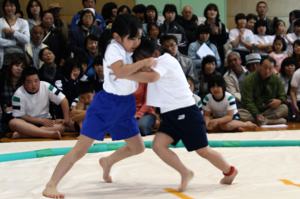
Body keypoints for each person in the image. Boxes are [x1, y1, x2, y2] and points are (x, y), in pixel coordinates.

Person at [42, 14, 155, 198]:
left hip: (126, 104)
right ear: (118, 36)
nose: (136, 42)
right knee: (80, 150)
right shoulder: (113, 48)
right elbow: (120, 71)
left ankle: (108, 161)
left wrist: (149, 73)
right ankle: (51, 184)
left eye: (139, 37)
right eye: (132, 38)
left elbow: (129, 75)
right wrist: (144, 66)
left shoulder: (128, 50)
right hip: (107, 105)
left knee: (137, 147)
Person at [128, 39, 237, 192]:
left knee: (203, 150)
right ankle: (185, 172)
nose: (141, 64)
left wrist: (126, 74)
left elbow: (151, 78)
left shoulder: (165, 60)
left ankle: (229, 170)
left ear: (155, 54)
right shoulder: (156, 64)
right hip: (170, 114)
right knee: (158, 146)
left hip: (185, 112)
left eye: (141, 60)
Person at [8, 67, 72, 139]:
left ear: (39, 80)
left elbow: (63, 100)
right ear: (23, 82)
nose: (33, 85)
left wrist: (66, 119)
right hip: (27, 124)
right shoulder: (18, 94)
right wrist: (40, 121)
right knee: (13, 123)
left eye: (36, 81)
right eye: (29, 82)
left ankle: (24, 135)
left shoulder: (46, 86)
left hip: (46, 121)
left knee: (61, 127)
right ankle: (48, 134)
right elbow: (20, 116)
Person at [239, 56, 288, 125]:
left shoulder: (276, 79)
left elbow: (283, 95)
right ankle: (270, 121)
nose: (267, 71)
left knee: (284, 108)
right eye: (265, 68)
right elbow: (248, 101)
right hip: (252, 111)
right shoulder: (248, 80)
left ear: (273, 68)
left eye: (270, 69)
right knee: (239, 113)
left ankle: (263, 121)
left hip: (269, 110)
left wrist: (279, 101)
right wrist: (257, 114)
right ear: (259, 66)